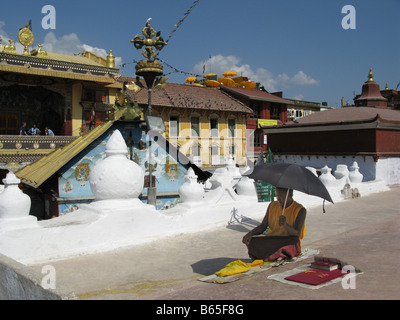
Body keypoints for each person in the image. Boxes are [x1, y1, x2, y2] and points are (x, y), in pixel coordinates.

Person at [242, 187, 306, 262]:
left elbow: (297, 234)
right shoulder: (272, 205)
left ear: (290, 194)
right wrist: (250, 234)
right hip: (272, 240)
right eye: (277, 196)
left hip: (287, 241)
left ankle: (277, 255)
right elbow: (263, 226)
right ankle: (278, 256)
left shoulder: (300, 210)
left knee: (293, 242)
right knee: (252, 241)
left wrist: (286, 225)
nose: (278, 199)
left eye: (281, 196)